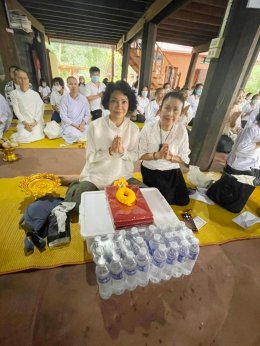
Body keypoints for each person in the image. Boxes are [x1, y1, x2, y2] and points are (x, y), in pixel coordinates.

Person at [64, 80, 145, 214]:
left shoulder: (133, 129)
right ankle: (75, 185)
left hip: (123, 177)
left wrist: (122, 152)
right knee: (78, 207)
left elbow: (134, 156)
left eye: (124, 101)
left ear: (129, 103)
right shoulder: (95, 126)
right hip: (96, 177)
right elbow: (90, 157)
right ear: (107, 102)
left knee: (144, 199)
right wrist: (109, 152)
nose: (119, 106)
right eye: (114, 101)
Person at [139, 92, 190, 206]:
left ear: (181, 113)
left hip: (172, 170)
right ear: (161, 108)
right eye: (167, 108)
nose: (170, 113)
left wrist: (171, 157)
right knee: (161, 204)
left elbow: (184, 159)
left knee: (183, 201)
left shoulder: (181, 130)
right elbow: (140, 154)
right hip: (152, 170)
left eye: (175, 110)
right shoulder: (148, 128)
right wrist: (157, 155)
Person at [224, 111, 260, 185]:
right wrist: (258, 144)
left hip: (251, 163)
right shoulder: (251, 129)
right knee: (253, 184)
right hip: (238, 165)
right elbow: (240, 148)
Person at [10, 69, 44, 143]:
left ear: (28, 80)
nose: (23, 80)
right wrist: (25, 123)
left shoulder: (35, 94)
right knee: (23, 136)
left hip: (35, 122)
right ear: (16, 79)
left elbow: (39, 110)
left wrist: (34, 123)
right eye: (20, 78)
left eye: (25, 78)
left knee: (38, 136)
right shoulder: (14, 93)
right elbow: (16, 110)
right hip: (23, 122)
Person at [59, 76, 91, 144]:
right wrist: (76, 126)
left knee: (93, 131)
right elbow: (63, 116)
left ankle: (82, 138)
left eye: (75, 84)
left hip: (82, 125)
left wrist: (82, 125)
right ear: (67, 85)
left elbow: (87, 114)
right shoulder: (64, 99)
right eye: (71, 84)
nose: (73, 86)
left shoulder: (83, 98)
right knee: (74, 135)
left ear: (78, 85)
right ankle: (81, 138)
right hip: (70, 125)